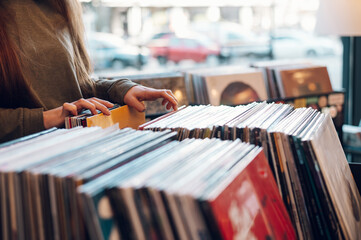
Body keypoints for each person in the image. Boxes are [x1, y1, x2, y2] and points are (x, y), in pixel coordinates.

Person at [0, 0, 178, 143]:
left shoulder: (63, 6)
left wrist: (121, 89)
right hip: (26, 158)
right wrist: (50, 117)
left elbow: (76, 84)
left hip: (75, 146)